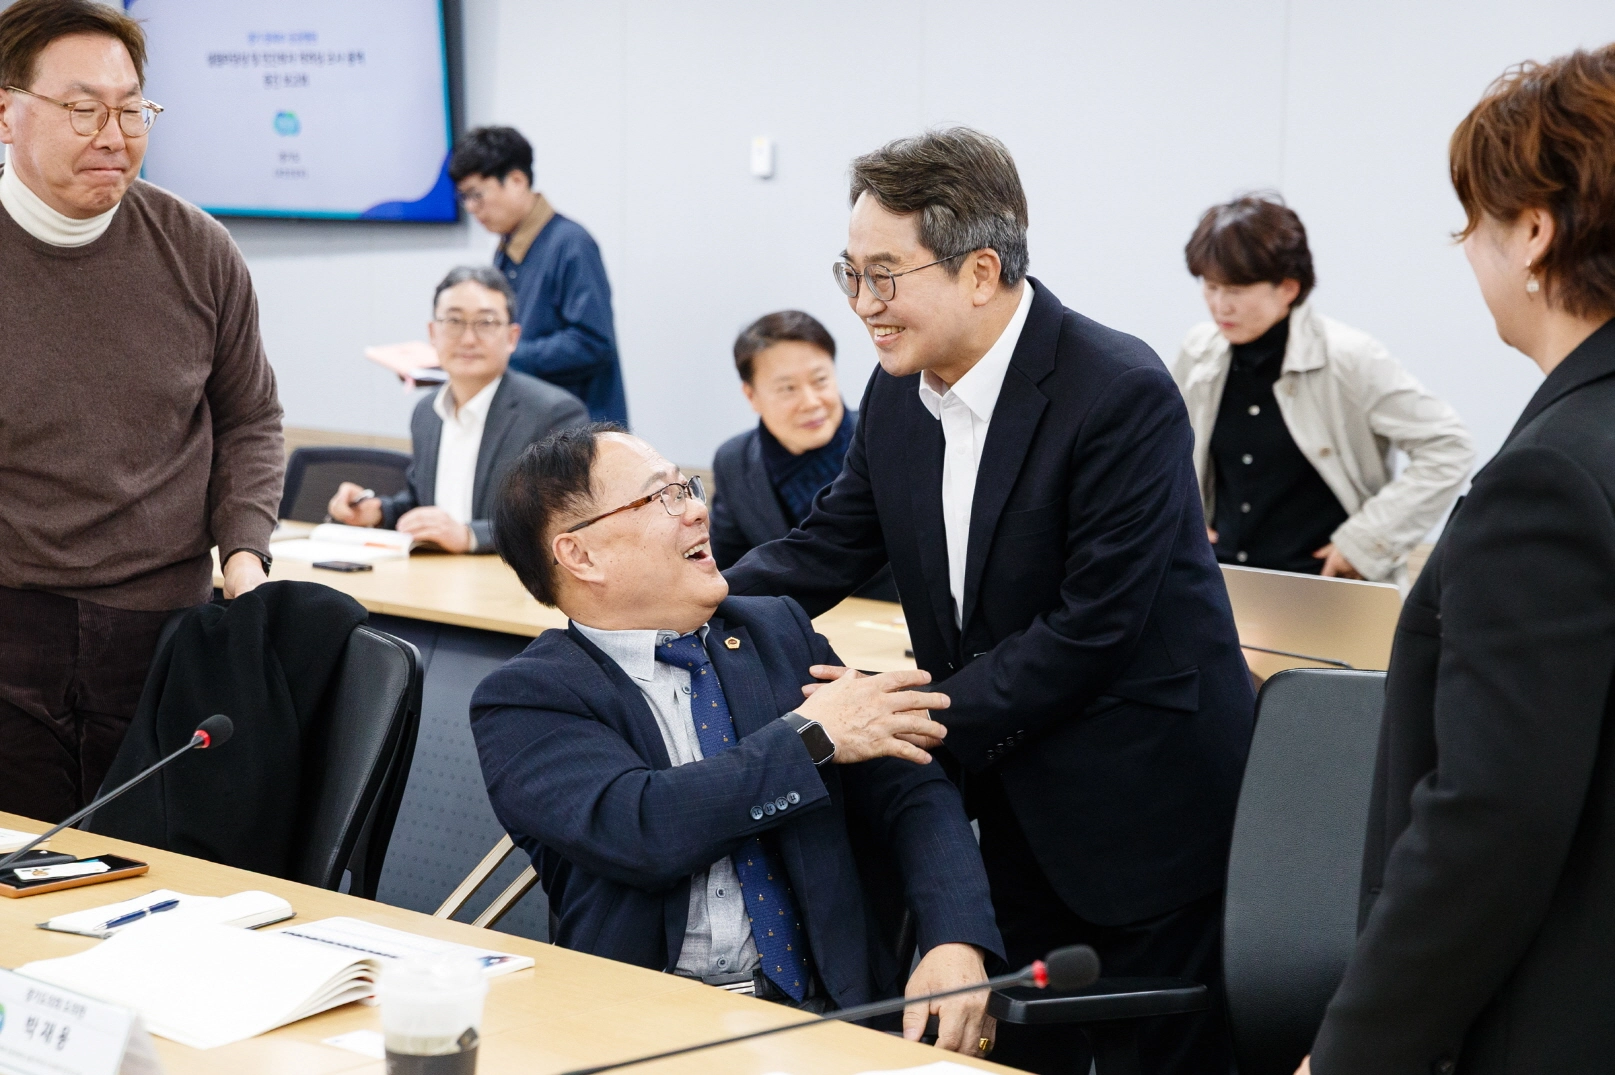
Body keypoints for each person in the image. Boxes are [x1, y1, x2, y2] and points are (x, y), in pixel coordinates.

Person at [725, 128, 1255, 1075]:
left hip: (1140, 815)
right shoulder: (899, 395)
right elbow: (830, 544)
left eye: (884, 274)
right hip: (1004, 814)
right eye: (850, 271)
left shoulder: (1117, 389)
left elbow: (1091, 630)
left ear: (979, 271)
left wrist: (905, 711)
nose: (861, 306)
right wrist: (689, 597)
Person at [471, 426, 1004, 1054]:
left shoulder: (775, 631)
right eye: (661, 498)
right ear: (581, 556)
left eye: (687, 487)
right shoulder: (528, 699)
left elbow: (909, 787)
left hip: (829, 1017)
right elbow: (641, 827)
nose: (697, 508)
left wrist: (956, 939)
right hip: (641, 1028)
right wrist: (811, 738)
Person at [1300, 44, 1615, 1075]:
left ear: (1533, 231)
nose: (1468, 254)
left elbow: (1489, 822)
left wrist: (1348, 1054)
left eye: (1469, 226)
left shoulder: (1548, 484)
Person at [0, 0, 283, 823]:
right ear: (7, 111)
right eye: (83, 109)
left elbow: (250, 418)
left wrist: (246, 552)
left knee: (155, 879)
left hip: (164, 630)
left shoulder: (197, 248)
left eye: (132, 109)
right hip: (11, 622)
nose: (113, 133)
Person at [1174, 194, 1474, 584]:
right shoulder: (1199, 352)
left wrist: (1366, 543)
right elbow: (1162, 451)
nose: (1219, 305)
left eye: (1235, 290)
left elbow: (1449, 445)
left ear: (1288, 287)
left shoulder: (1350, 358)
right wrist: (1181, 515)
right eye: (1210, 287)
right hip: (1224, 586)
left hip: (1324, 591)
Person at [328, 266, 587, 553]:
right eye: (453, 321)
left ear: (512, 337)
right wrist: (377, 512)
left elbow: (564, 517)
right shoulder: (426, 413)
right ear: (432, 333)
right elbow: (422, 503)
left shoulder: (553, 413)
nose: (467, 339)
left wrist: (469, 536)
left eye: (486, 323)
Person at [710, 310, 897, 601]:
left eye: (820, 380)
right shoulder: (734, 461)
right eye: (788, 389)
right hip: (795, 630)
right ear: (751, 396)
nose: (811, 402)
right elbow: (724, 569)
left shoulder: (885, 438)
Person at [448, 126, 627, 426]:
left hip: (574, 432)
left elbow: (592, 343)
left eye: (477, 195)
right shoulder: (506, 248)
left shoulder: (572, 244)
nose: (471, 208)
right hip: (531, 422)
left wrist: (505, 354)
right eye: (464, 197)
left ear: (517, 180)